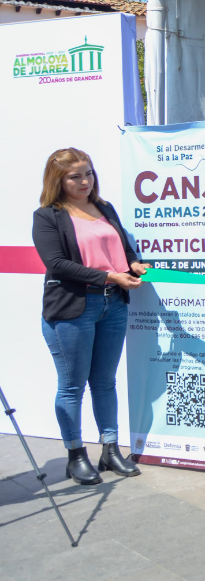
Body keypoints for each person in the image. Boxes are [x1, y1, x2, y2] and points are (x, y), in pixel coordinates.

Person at [32, 147, 145, 484]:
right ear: (58, 180)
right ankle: (75, 454)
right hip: (71, 309)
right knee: (71, 387)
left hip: (113, 305)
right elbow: (57, 265)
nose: (84, 181)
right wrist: (110, 276)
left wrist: (132, 264)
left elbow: (122, 250)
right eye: (75, 176)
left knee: (105, 382)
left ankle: (110, 450)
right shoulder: (47, 215)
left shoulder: (104, 207)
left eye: (89, 173)